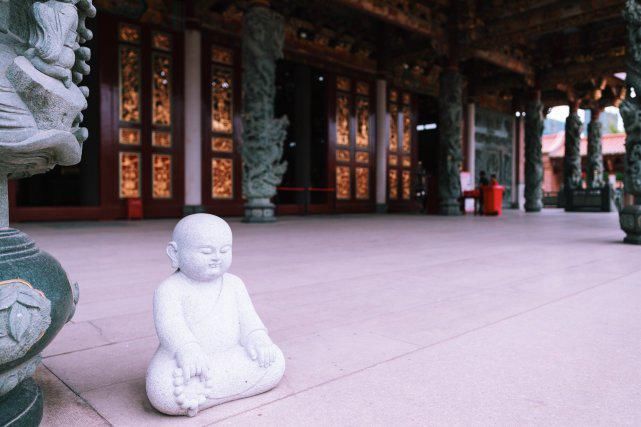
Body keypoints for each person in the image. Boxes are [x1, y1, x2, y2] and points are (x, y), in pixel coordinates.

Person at [146, 214, 285, 417]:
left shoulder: (234, 284)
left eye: (224, 250)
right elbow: (170, 326)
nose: (216, 257)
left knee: (275, 360)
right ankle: (201, 389)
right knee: (163, 388)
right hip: (188, 361)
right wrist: (187, 349)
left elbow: (248, 319)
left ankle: (200, 395)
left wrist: (257, 338)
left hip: (228, 357)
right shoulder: (169, 289)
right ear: (174, 253)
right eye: (206, 251)